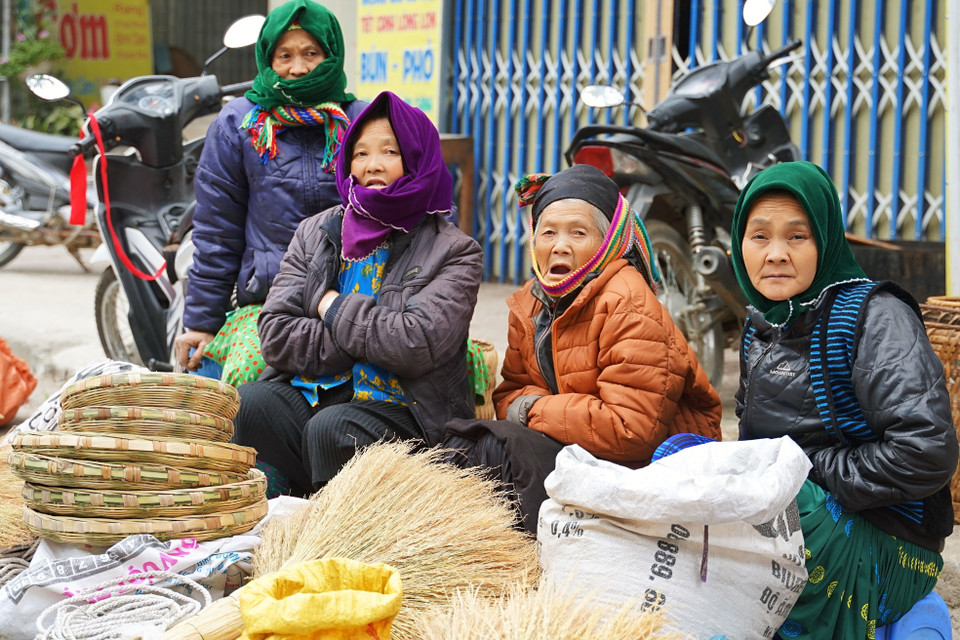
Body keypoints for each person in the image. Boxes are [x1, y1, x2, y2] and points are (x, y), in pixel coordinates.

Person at [731, 160, 958, 638]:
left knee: (793, 504)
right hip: (796, 522)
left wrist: (803, 473)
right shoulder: (760, 324)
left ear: (826, 240)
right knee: (679, 454)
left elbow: (927, 451)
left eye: (797, 236)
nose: (775, 254)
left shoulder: (876, 318)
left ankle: (902, 615)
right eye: (759, 237)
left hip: (892, 542)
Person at [443, 164, 723, 534]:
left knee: (500, 450)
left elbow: (630, 429)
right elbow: (509, 394)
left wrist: (535, 408)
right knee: (461, 443)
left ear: (607, 242)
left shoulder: (630, 305)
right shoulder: (530, 303)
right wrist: (531, 409)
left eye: (578, 232)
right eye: (548, 233)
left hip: (652, 467)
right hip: (584, 448)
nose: (560, 246)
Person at [232, 91, 483, 497]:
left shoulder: (453, 251)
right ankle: (293, 508)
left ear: (417, 159)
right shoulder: (316, 231)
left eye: (390, 151)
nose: (373, 165)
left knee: (332, 430)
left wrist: (329, 305)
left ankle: (340, 530)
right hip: (316, 392)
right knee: (252, 404)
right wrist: (368, 336)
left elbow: (414, 343)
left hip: (405, 410)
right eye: (361, 153)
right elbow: (276, 334)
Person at [174, 0, 367, 385]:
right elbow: (216, 233)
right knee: (247, 388)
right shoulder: (238, 124)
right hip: (269, 303)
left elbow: (409, 209)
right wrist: (200, 322)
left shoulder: (362, 120)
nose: (298, 67)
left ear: (332, 55)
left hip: (354, 299)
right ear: (268, 58)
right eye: (285, 55)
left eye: (311, 53)